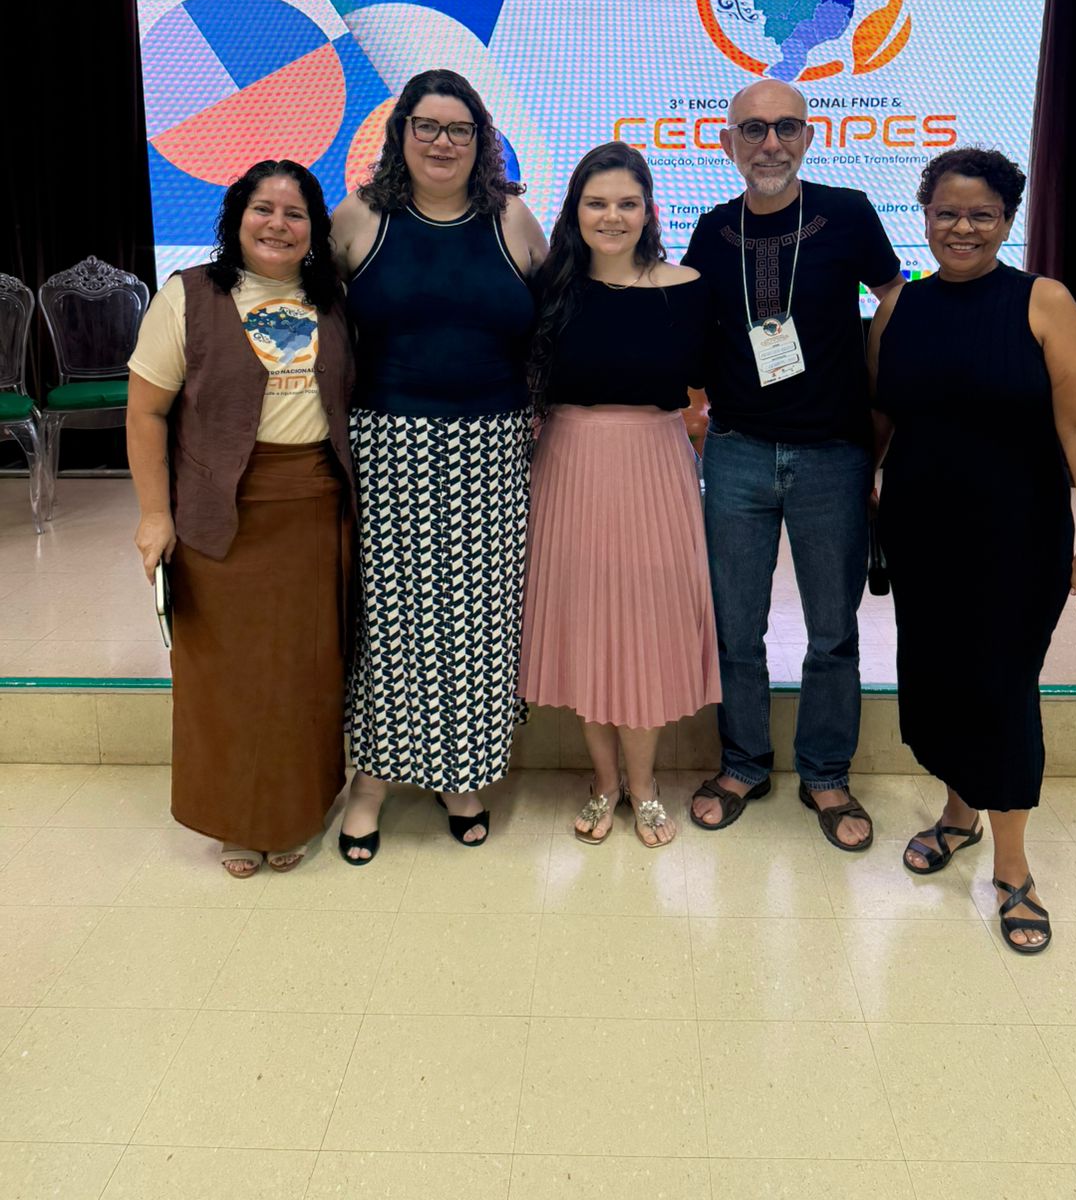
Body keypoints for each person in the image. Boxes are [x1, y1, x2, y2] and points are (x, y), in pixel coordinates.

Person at [869, 147, 1076, 953]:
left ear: (1008, 220)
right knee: (940, 677)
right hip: (921, 532)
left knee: (1003, 686)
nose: (962, 228)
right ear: (925, 217)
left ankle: (1013, 868)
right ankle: (958, 814)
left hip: (1018, 534)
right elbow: (883, 416)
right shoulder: (900, 306)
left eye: (981, 215)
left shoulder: (1044, 302)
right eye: (947, 213)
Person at [331, 69, 547, 858]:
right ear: (401, 134)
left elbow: (553, 329)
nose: (443, 142)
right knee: (392, 625)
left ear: (481, 140)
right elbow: (310, 326)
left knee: (479, 626)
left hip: (494, 451)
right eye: (427, 126)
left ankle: (464, 776)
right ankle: (371, 782)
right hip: (390, 448)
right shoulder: (359, 218)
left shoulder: (513, 219)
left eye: (460, 129)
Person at [683, 79, 904, 846]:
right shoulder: (713, 230)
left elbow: (892, 292)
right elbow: (691, 327)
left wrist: (880, 394)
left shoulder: (848, 213)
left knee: (832, 630)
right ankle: (743, 762)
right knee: (735, 628)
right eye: (752, 129)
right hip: (738, 454)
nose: (770, 143)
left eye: (785, 128)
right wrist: (696, 414)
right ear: (728, 143)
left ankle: (826, 773)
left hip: (832, 454)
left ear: (809, 137)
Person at [127, 160, 354, 877]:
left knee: (304, 672)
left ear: (314, 229)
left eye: (295, 213)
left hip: (313, 508)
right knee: (223, 675)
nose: (278, 224)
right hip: (217, 514)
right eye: (264, 209)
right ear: (236, 218)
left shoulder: (335, 300)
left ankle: (293, 812)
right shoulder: (188, 296)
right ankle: (235, 819)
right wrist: (154, 514)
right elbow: (146, 412)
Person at [520, 144, 720, 847]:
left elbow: (712, 381)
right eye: (597, 202)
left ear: (648, 210)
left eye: (627, 203)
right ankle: (605, 783)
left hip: (656, 466)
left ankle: (645, 785)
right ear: (575, 210)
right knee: (587, 625)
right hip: (569, 464)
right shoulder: (550, 287)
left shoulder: (688, 286)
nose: (613, 216)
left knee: (648, 625)